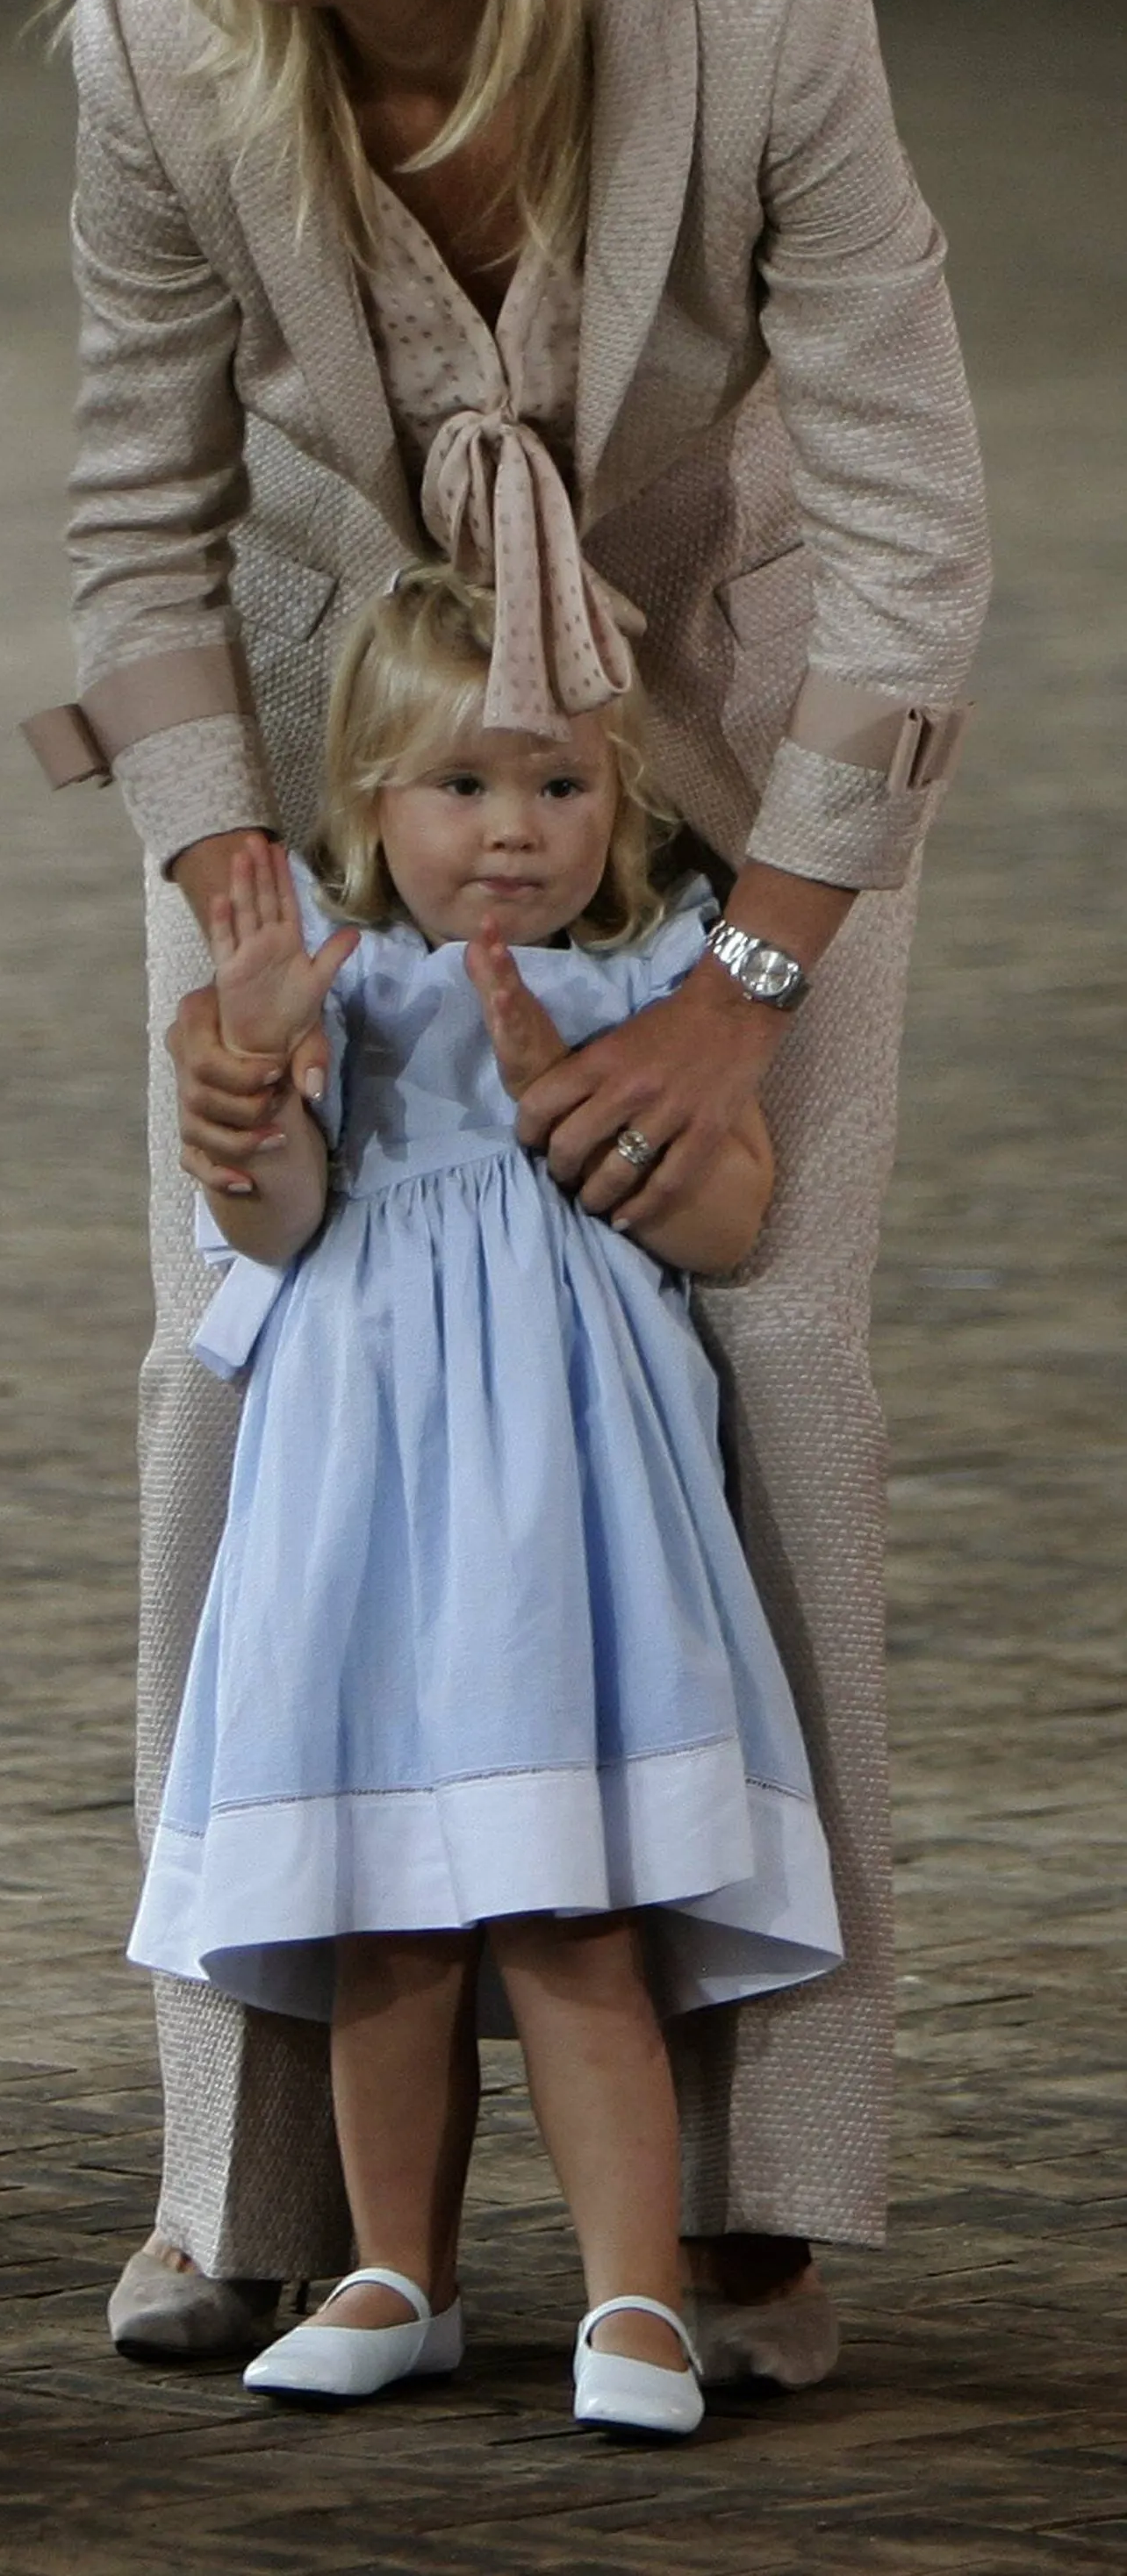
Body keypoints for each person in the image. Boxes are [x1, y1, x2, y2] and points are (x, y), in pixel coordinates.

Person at [27, 0, 989, 2384]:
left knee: (765, 1362)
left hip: (739, 779)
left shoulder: (766, 10)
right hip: (339, 785)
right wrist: (235, 921)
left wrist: (750, 979)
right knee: (239, 1354)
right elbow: (137, 528)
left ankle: (764, 2192)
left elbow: (920, 543)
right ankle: (251, 2171)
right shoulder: (152, 57)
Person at [135, 568, 840, 2440]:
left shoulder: (658, 979)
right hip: (359, 1486)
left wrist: (559, 1105)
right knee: (388, 1907)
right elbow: (270, 1222)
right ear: (367, 800)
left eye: (556, 785)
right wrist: (256, 1072)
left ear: (619, 800)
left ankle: (632, 2288)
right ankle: (399, 2267)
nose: (511, 831)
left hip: (563, 1509)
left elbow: (726, 1216)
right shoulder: (333, 986)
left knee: (570, 1902)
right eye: (458, 786)